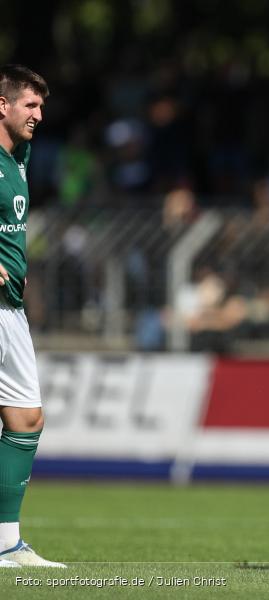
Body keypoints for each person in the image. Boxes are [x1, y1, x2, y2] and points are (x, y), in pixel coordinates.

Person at [0, 64, 65, 568]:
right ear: (2, 105)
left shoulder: (20, 153)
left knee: (26, 418)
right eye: (30, 105)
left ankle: (5, 544)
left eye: (41, 106)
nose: (39, 115)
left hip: (11, 310)